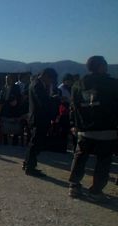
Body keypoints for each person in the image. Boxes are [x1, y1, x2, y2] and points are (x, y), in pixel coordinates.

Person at [68, 56, 118, 200]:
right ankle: (96, 191)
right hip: (107, 129)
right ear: (101, 66)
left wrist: (74, 124)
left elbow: (73, 107)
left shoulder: (78, 85)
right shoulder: (113, 84)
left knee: (80, 157)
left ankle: (74, 186)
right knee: (103, 161)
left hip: (84, 129)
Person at [23, 68, 58, 177]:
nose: (51, 82)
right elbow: (42, 102)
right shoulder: (37, 85)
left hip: (38, 117)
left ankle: (27, 163)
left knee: (34, 142)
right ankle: (30, 167)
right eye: (51, 79)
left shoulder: (36, 83)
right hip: (38, 118)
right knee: (35, 143)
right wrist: (55, 99)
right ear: (46, 76)